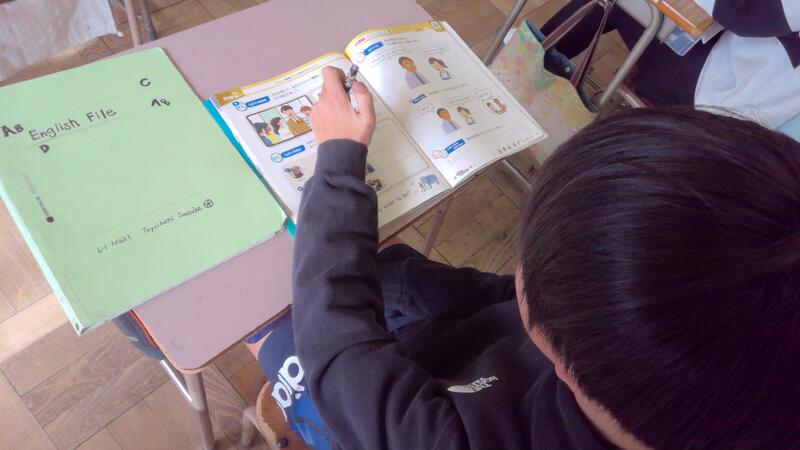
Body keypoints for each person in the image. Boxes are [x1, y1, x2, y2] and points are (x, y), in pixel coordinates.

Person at [253, 66, 800, 449]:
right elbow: (502, 300)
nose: (520, 269)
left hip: (372, 401)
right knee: (395, 271)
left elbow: (337, 356)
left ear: (566, 359)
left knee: (269, 329)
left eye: (530, 268)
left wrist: (339, 163)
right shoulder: (729, 388)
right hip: (462, 356)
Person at [542, 0, 800, 129]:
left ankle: (534, 64)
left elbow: (743, 13)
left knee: (617, 4)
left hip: (712, 99)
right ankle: (537, 59)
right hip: (729, 82)